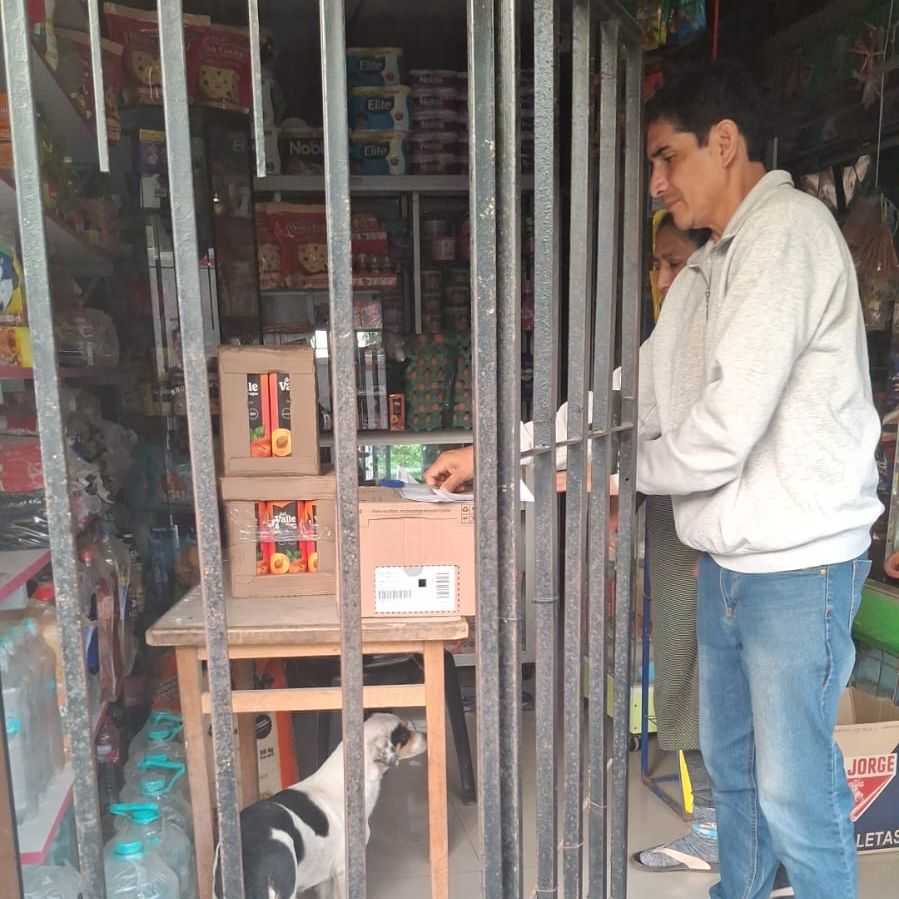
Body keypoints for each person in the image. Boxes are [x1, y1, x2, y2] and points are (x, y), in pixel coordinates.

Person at [430, 60, 880, 899]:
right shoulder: (708, 268)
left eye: (666, 157)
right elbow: (624, 399)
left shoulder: (785, 237)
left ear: (724, 142)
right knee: (734, 773)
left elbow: (719, 436)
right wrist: (503, 453)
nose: (656, 182)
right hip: (732, 565)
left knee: (793, 788)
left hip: (799, 567)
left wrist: (609, 476)